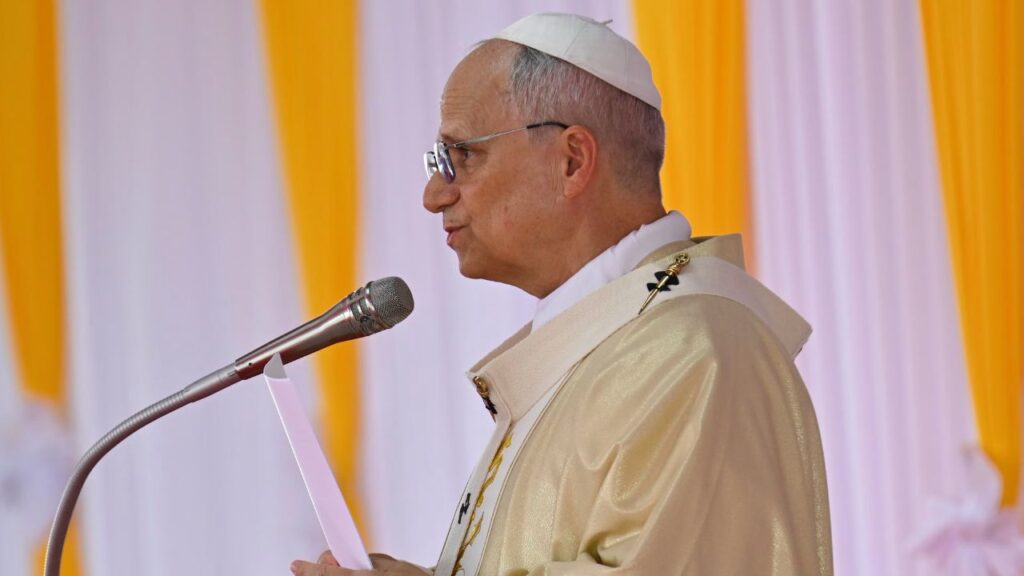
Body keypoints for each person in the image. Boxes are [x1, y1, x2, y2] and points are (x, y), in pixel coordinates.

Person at [291, 12, 832, 576]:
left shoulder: (697, 352)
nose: (433, 195)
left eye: (460, 156)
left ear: (572, 160)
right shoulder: (610, 342)